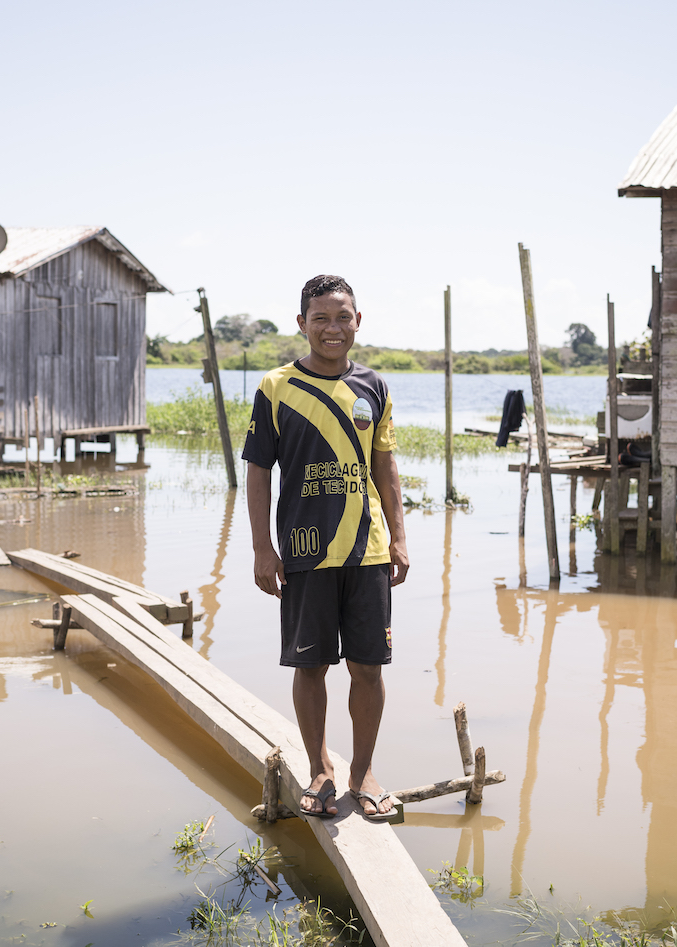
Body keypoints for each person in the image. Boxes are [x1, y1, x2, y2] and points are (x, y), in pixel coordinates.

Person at [242, 274, 409, 821]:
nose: (333, 328)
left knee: (369, 667)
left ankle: (362, 771)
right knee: (309, 667)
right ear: (302, 325)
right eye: (321, 319)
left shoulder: (374, 388)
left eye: (343, 318)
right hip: (306, 550)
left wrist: (400, 537)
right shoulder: (275, 387)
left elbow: (385, 466)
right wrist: (263, 547)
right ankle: (320, 768)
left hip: (368, 552)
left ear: (358, 321)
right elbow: (260, 471)